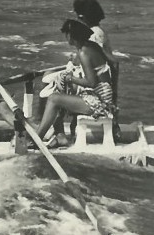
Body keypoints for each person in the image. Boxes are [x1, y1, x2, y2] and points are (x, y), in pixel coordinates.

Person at [34, 19, 117, 147]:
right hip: (100, 96)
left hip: (100, 102)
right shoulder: (90, 46)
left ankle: (36, 139)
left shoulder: (84, 52)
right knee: (58, 91)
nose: (66, 38)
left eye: (67, 34)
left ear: (72, 36)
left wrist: (70, 79)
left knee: (54, 98)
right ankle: (58, 135)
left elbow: (91, 82)